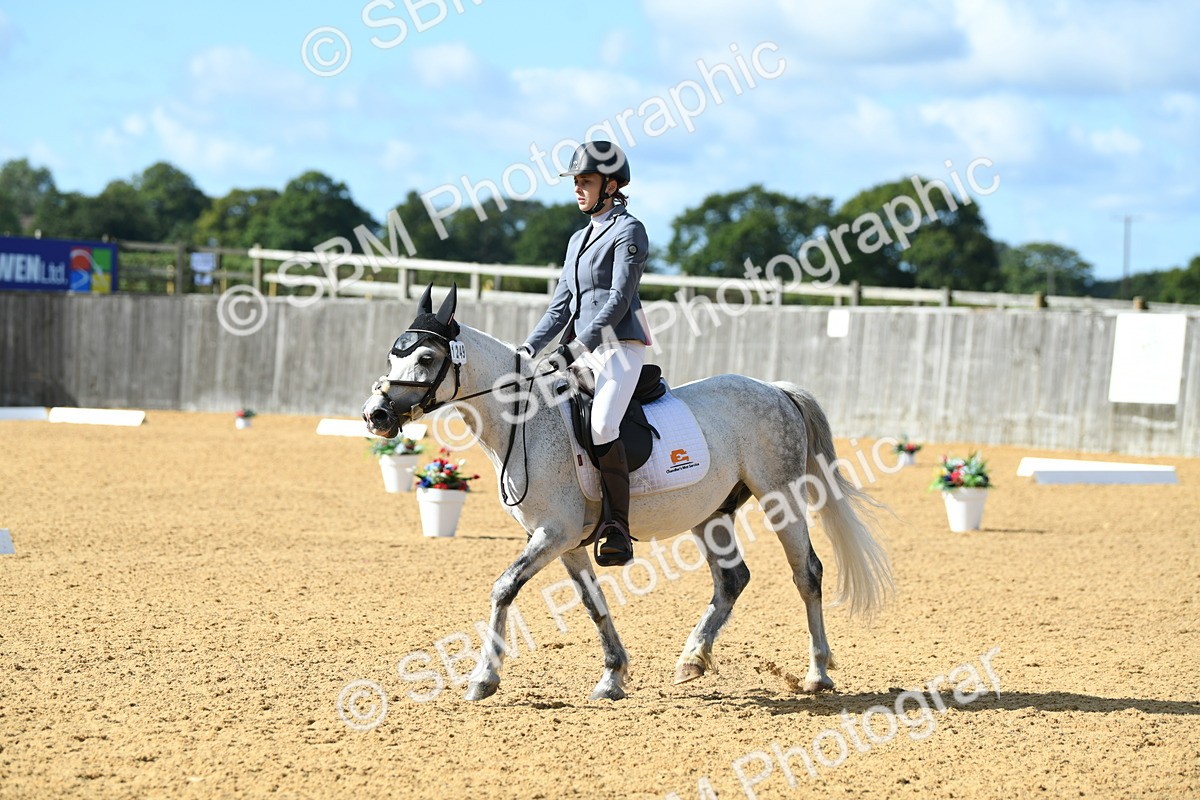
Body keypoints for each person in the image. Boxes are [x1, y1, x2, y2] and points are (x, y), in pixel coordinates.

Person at [518, 141, 651, 567]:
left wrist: (578, 348)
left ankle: (618, 528)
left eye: (586, 181)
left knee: (601, 425)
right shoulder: (578, 238)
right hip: (578, 351)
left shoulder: (630, 230)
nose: (578, 189)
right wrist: (527, 349)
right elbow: (560, 306)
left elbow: (618, 299)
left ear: (611, 185)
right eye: (576, 182)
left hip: (619, 347)